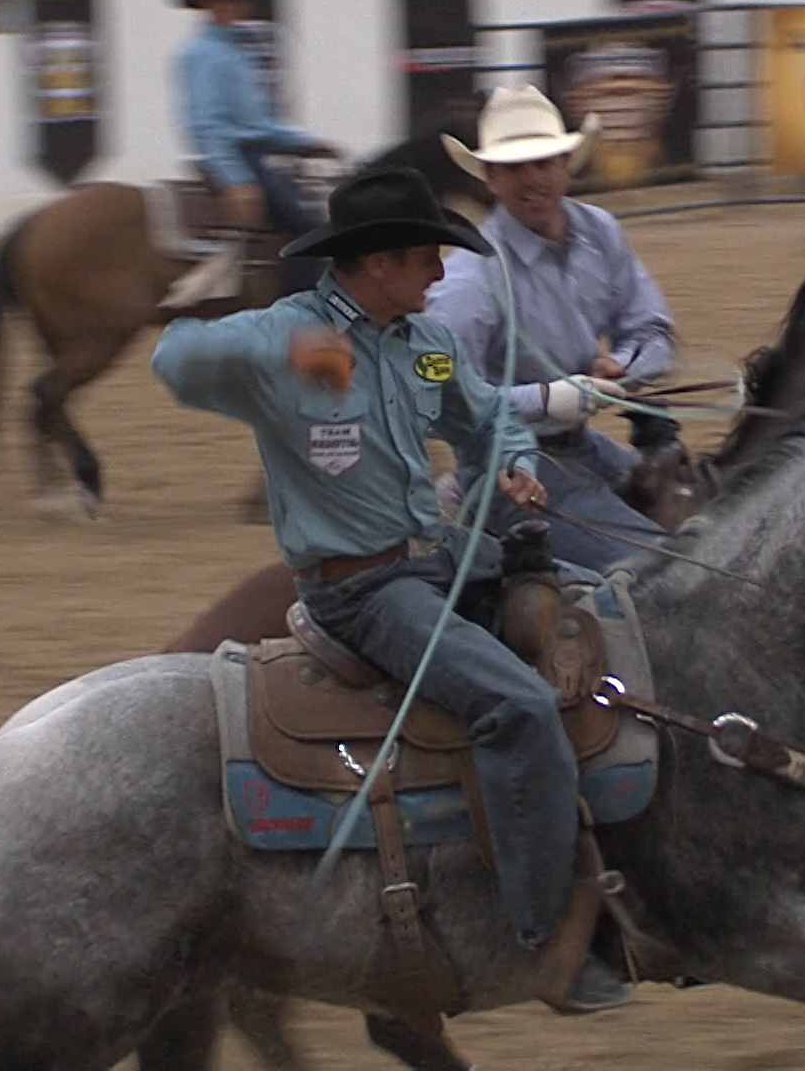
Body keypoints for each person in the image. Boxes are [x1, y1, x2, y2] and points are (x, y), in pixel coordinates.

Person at [150, 165, 630, 1014]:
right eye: (426, 260)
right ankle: (541, 938)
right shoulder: (285, 334)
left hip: (439, 557)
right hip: (361, 591)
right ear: (376, 264)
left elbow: (487, 418)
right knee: (514, 705)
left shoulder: (425, 343)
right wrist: (281, 350)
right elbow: (174, 356)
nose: (442, 274)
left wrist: (513, 464)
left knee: (605, 602)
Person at [429, 85, 677, 571]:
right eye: (514, 167)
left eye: (543, 162)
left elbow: (653, 330)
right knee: (663, 565)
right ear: (490, 179)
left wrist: (623, 367)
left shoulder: (601, 232)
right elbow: (444, 398)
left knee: (714, 519)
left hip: (583, 448)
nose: (533, 179)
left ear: (566, 163)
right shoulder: (468, 279)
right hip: (505, 473)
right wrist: (550, 399)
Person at [174, 0, 339, 242]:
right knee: (308, 229)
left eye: (236, 0)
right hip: (238, 158)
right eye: (224, 0)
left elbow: (257, 123)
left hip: (256, 154)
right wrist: (235, 178)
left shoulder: (236, 50)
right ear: (206, 5)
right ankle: (303, 282)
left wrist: (305, 142)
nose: (232, 6)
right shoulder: (203, 54)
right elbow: (206, 123)